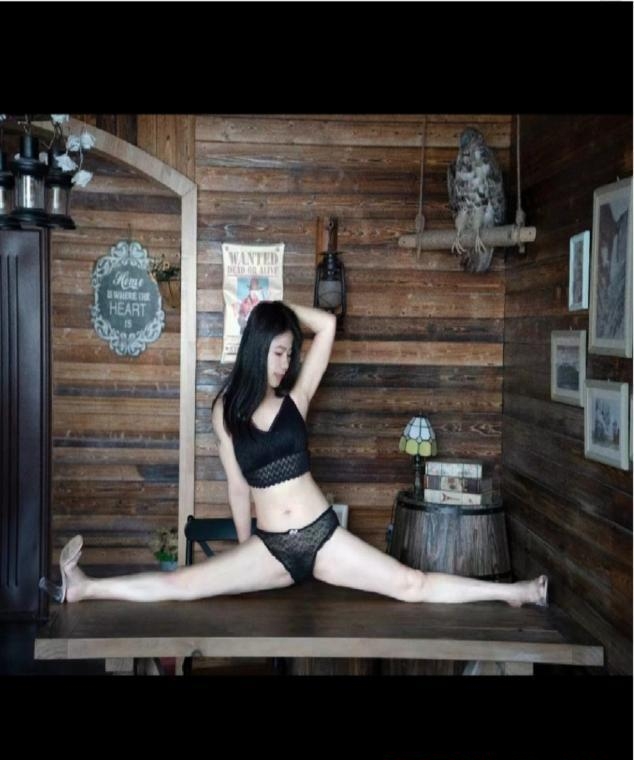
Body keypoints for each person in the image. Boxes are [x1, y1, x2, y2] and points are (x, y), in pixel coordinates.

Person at [40, 301, 548, 607]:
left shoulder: (296, 401)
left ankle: (517, 593)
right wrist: (246, 551)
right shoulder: (225, 412)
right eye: (278, 351)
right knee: (184, 585)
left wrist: (279, 308)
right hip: (271, 549)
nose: (285, 363)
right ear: (257, 346)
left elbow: (326, 325)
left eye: (289, 353)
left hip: (321, 535)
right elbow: (238, 488)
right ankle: (85, 588)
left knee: (409, 584)